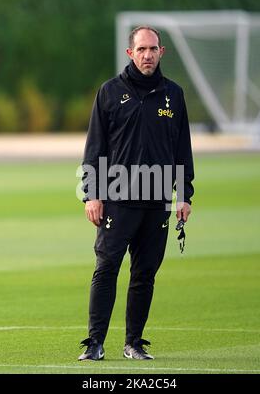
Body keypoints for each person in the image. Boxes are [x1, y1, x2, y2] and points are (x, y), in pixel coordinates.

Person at [78, 26, 194, 361]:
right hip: (116, 200)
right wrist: (92, 195)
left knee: (144, 274)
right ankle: (95, 342)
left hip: (157, 201)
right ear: (130, 53)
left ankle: (134, 343)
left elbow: (182, 150)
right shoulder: (110, 92)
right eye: (141, 49)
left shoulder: (174, 94)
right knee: (106, 268)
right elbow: (95, 148)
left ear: (162, 52)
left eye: (152, 49)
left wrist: (184, 195)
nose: (147, 55)